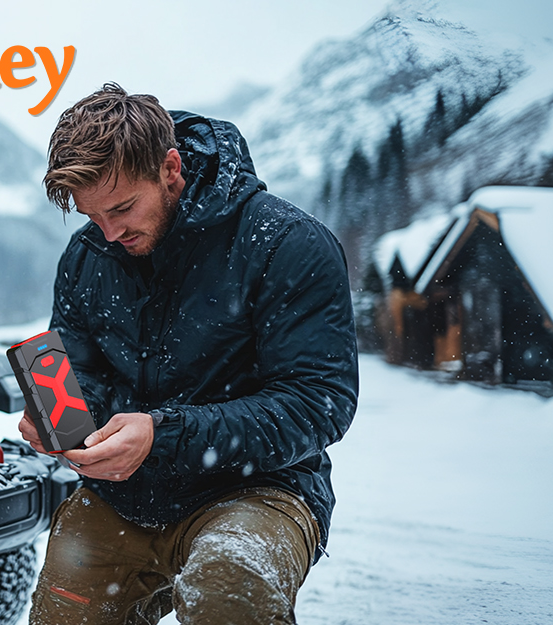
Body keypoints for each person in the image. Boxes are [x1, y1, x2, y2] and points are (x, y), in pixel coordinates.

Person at [18, 83, 358, 625]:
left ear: (170, 169)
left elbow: (318, 403)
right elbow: (79, 370)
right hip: (123, 497)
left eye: (123, 208)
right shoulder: (87, 256)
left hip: (258, 488)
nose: (108, 233)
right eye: (92, 216)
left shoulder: (287, 242)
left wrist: (162, 435)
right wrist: (56, 415)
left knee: (229, 588)